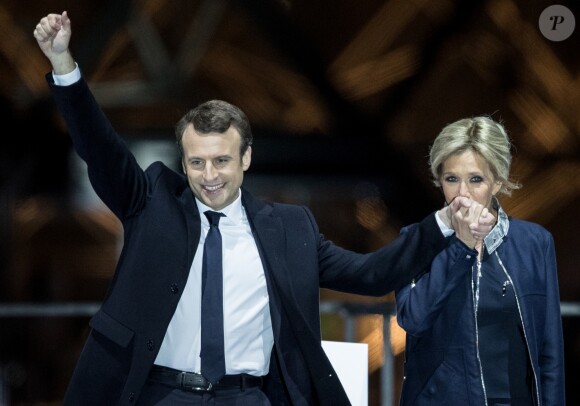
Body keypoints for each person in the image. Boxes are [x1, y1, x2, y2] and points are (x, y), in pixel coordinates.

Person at [33, 12, 494, 406]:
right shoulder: (152, 202)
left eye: (221, 161)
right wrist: (63, 64)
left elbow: (371, 275)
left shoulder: (290, 229)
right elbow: (100, 148)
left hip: (249, 398)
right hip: (160, 395)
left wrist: (443, 224)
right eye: (197, 162)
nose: (209, 175)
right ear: (183, 161)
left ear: (246, 158)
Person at [395, 116, 566, 405]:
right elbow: (413, 318)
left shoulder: (535, 243)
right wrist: (460, 245)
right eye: (452, 179)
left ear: (497, 182)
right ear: (439, 180)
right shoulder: (415, 240)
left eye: (476, 179)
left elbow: (550, 352)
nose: (462, 193)